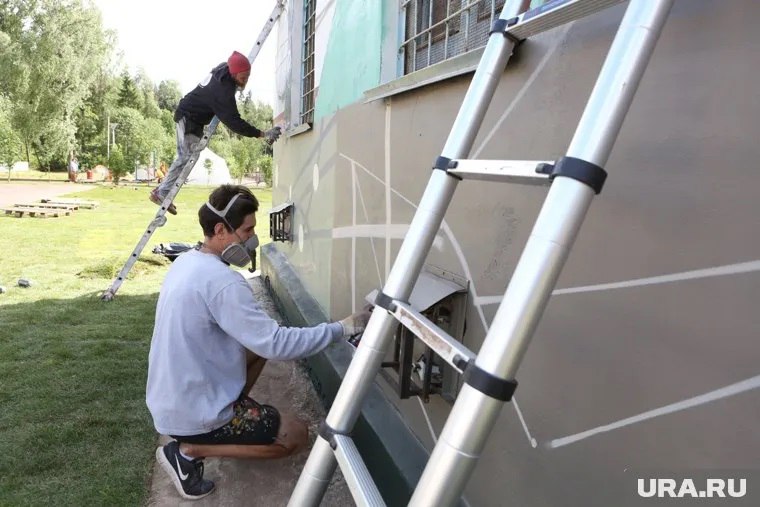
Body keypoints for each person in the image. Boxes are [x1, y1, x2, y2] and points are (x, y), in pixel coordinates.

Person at [146, 184, 371, 500]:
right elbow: (278, 344)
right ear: (221, 229)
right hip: (193, 414)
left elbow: (265, 342)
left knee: (258, 344)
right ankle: (190, 451)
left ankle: (215, 422)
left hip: (172, 400)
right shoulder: (223, 282)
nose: (252, 239)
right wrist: (342, 328)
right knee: (295, 434)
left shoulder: (187, 261)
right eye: (247, 230)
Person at [149, 51, 282, 215]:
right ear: (233, 74)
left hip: (196, 119)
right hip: (188, 117)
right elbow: (234, 122)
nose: (245, 81)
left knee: (191, 157)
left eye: (247, 76)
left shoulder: (224, 71)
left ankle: (164, 191)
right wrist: (262, 134)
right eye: (242, 78)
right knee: (186, 157)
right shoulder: (222, 91)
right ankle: (161, 193)